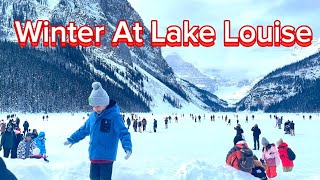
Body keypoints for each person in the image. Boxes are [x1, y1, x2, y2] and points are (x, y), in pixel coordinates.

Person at [63, 82, 132, 180]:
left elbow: (123, 132)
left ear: (105, 103)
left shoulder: (114, 116)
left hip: (107, 156)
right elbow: (83, 130)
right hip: (94, 155)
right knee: (93, 178)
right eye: (93, 106)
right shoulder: (92, 116)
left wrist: (127, 147)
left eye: (98, 106)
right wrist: (72, 139)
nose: (95, 108)